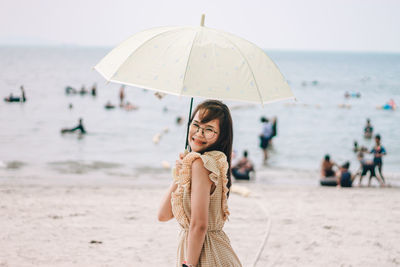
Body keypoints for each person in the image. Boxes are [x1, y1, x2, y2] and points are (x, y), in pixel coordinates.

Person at [158, 100, 242, 267]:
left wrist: (189, 265)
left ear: (221, 136)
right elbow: (163, 215)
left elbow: (199, 225)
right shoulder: (207, 163)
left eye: (209, 129)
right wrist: (180, 176)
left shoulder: (202, 164)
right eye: (195, 125)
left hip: (204, 254)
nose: (199, 133)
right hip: (208, 250)